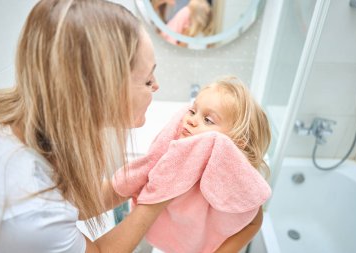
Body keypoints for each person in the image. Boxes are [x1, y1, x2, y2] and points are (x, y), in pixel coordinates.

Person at [0, 0, 171, 252]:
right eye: (148, 79)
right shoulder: (29, 209)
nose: (157, 86)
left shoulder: (30, 127)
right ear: (102, 91)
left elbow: (75, 204)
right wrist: (163, 193)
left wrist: (144, 174)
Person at [113, 76, 272, 252]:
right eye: (193, 111)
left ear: (236, 143)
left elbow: (254, 220)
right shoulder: (174, 161)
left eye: (208, 120)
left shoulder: (236, 185)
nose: (190, 120)